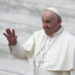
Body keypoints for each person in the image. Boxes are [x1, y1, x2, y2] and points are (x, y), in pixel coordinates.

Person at [3, 7, 75, 75]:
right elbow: (23, 54)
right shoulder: (37, 36)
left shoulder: (71, 42)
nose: (44, 25)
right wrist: (14, 44)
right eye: (42, 21)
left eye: (47, 22)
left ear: (59, 22)